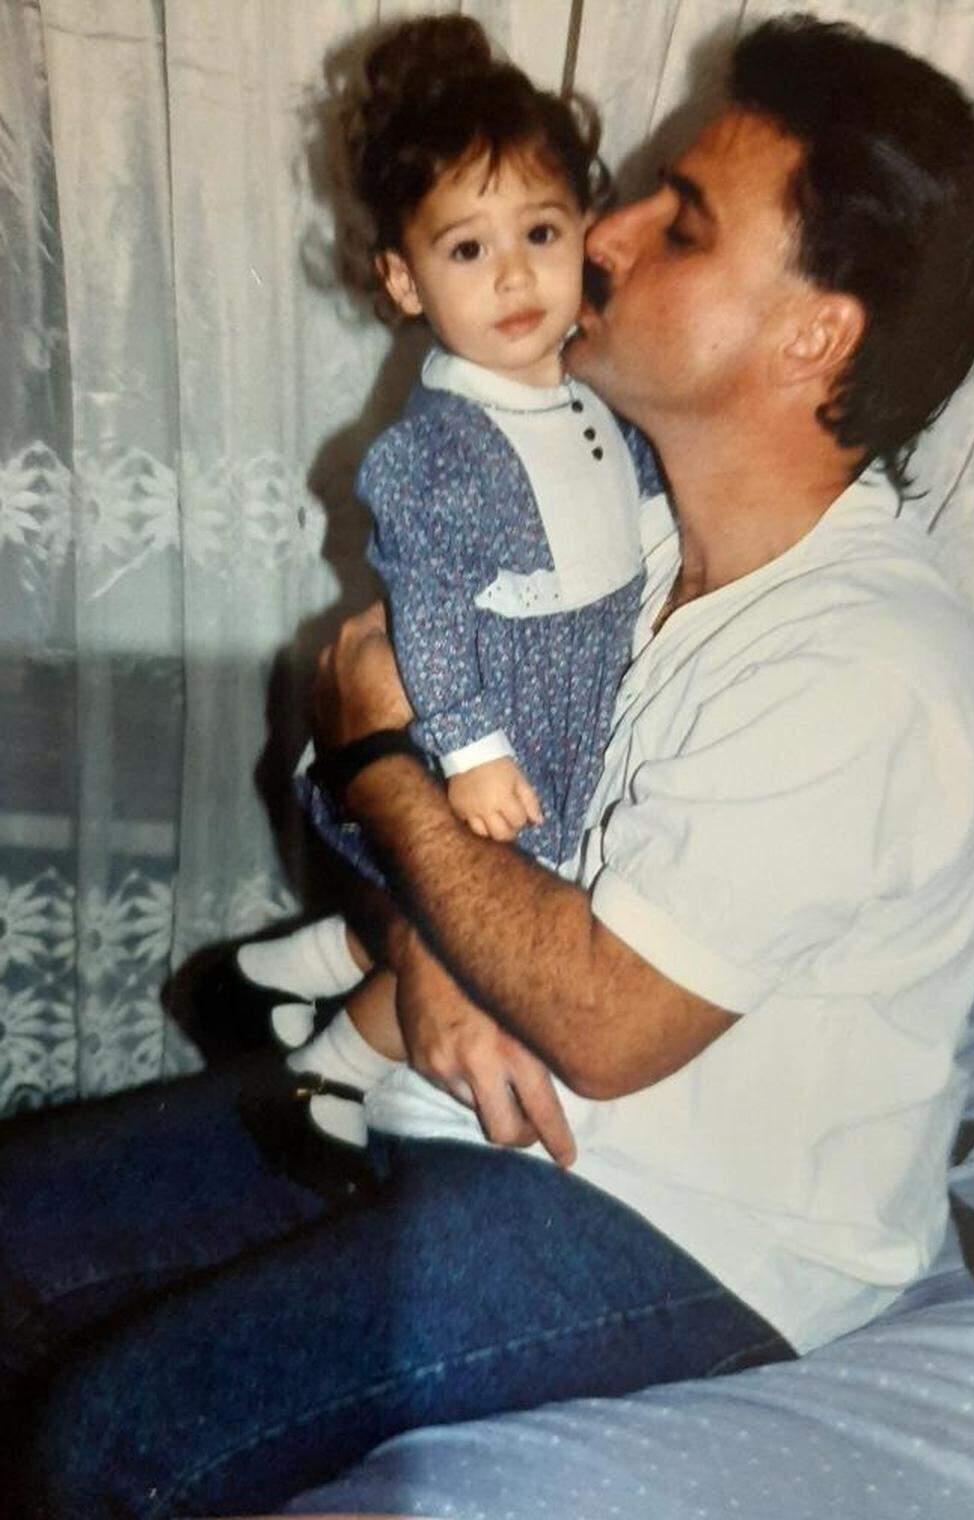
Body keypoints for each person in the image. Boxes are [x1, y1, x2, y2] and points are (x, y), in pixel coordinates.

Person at [0, 15, 974, 1520]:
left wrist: (391, 769)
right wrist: (430, 920)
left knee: (120, 1440)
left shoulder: (867, 664)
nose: (600, 233)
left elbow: (597, 1020)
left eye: (682, 224)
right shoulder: (631, 527)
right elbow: (344, 743)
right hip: (474, 1095)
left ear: (817, 333)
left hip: (697, 1222)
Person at [223, 14, 659, 1155]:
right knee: (478, 929)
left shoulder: (594, 401)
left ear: (585, 238)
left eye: (543, 231)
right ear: (402, 280)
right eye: (466, 250)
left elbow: (635, 511)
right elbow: (425, 606)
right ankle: (323, 1067)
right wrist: (468, 751)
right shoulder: (441, 446)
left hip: (564, 707)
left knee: (466, 921)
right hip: (491, 719)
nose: (515, 274)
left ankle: (285, 969)